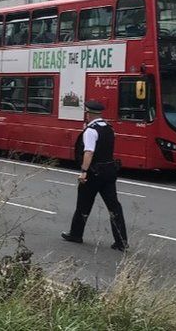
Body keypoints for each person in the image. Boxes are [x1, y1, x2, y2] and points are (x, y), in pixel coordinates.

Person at [61, 100, 128, 251]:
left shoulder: (91, 131)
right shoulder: (110, 128)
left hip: (94, 173)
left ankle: (76, 234)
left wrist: (84, 171)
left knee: (83, 204)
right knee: (114, 206)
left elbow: (89, 152)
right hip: (110, 172)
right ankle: (121, 241)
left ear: (88, 113)